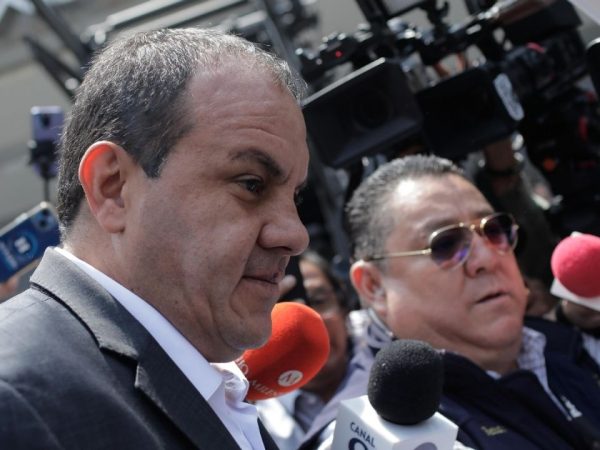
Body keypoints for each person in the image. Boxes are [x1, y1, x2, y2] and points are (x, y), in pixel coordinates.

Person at [0, 27, 309, 449]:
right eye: (251, 184)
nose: (295, 235)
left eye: (295, 196)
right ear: (112, 187)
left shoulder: (207, 383)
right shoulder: (16, 399)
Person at [345, 154, 600, 449]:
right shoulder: (375, 430)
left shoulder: (574, 340)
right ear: (374, 286)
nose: (487, 258)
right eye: (445, 244)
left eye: (494, 230)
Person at [257, 250, 369, 450]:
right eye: (285, 309)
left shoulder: (386, 359)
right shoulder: (252, 412)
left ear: (343, 306)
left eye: (318, 301)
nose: (309, 323)